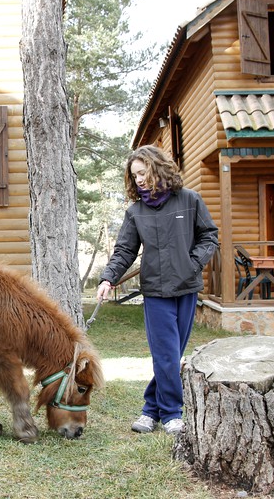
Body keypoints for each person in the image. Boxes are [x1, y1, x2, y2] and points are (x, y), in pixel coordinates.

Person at [96, 145, 218, 435]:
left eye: (142, 172)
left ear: (157, 168)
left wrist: (192, 264)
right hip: (156, 292)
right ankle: (172, 413)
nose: (138, 179)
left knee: (172, 354)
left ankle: (150, 409)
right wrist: (107, 278)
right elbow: (124, 250)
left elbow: (209, 237)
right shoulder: (135, 212)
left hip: (186, 288)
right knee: (165, 355)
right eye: (134, 174)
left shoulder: (189, 200)